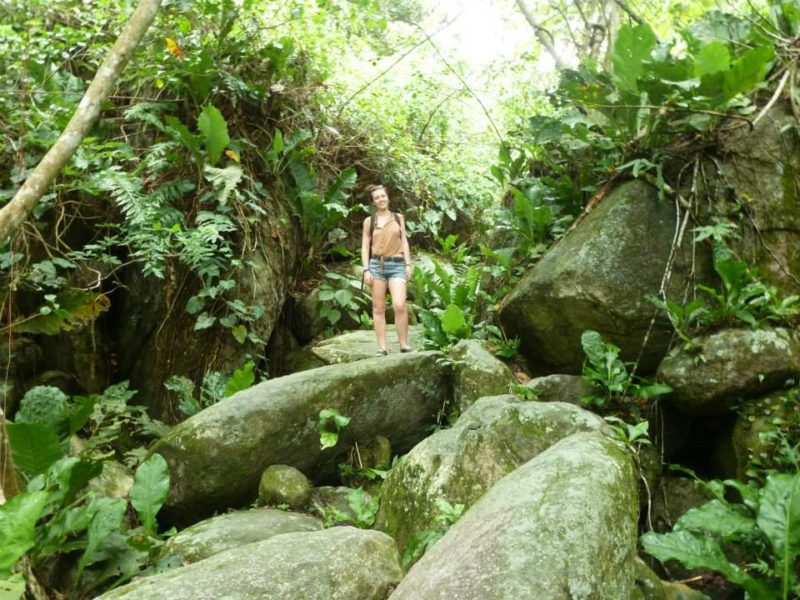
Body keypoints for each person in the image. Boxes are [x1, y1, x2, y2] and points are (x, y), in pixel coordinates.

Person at [361, 184, 413, 355]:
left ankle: (404, 345)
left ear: (387, 197)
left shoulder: (398, 218)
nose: (381, 199)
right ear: (373, 202)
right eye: (377, 198)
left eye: (383, 196)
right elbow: (364, 246)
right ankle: (382, 348)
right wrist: (366, 269)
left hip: (397, 264)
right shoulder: (370, 221)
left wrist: (408, 264)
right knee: (378, 307)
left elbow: (404, 241)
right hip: (376, 266)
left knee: (399, 305)